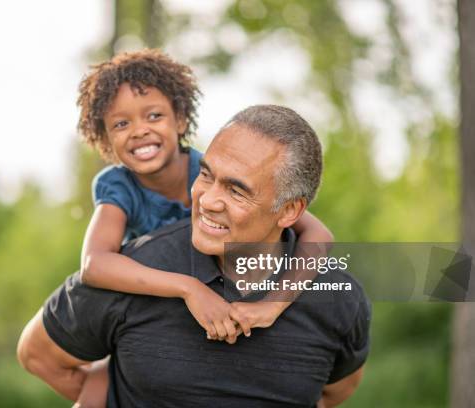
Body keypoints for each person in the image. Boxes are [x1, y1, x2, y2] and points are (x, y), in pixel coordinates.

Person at [17, 104, 371, 407]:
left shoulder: (339, 298)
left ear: (290, 211)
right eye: (206, 174)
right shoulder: (134, 269)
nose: (206, 200)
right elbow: (38, 356)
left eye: (236, 190)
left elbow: (334, 392)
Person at [63, 50, 332, 406]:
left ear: (180, 118)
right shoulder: (118, 186)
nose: (139, 130)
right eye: (120, 124)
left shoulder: (212, 172)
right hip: (153, 307)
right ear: (104, 137)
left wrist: (274, 304)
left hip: (225, 295)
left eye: (154, 115)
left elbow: (319, 236)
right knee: (93, 393)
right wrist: (188, 289)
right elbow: (94, 265)